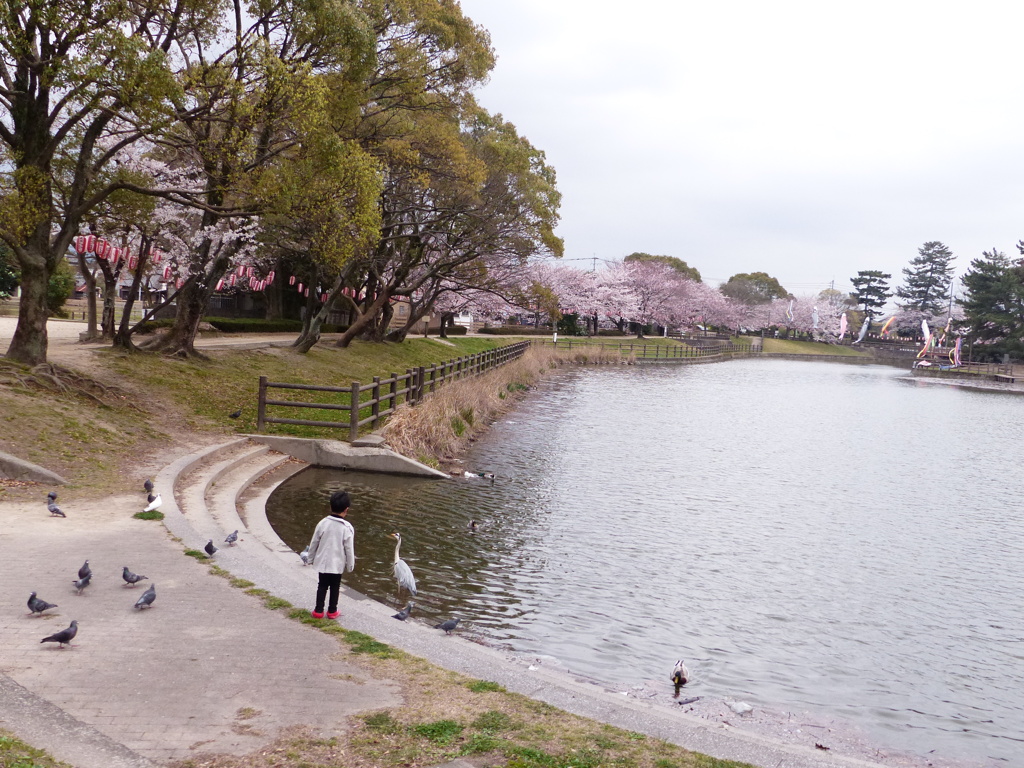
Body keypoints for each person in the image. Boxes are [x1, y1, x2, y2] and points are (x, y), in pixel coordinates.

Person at [305, 490, 355, 619]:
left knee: (322, 585)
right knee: (335, 587)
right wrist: (350, 565)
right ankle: (332, 611)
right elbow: (349, 549)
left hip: (323, 561)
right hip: (337, 563)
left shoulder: (322, 523)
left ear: (330, 506)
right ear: (346, 509)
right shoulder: (347, 527)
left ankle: (318, 610)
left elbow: (314, 542)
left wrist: (310, 558)